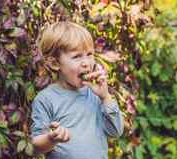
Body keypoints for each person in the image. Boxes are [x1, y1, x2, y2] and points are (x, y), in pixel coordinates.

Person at [30, 21, 124, 159]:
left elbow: (116, 132)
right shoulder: (45, 99)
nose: (86, 63)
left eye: (89, 54)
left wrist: (105, 97)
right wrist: (52, 139)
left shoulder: (95, 94)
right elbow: (35, 148)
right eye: (77, 56)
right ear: (55, 63)